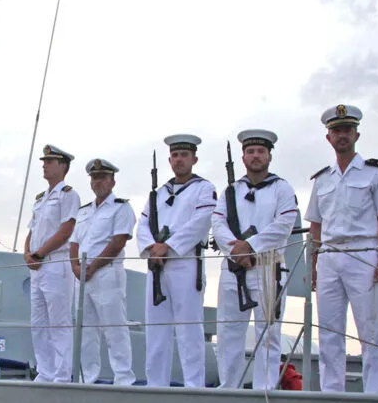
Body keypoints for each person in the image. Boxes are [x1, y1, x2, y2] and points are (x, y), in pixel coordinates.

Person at [304, 104, 378, 394]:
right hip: (329, 257)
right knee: (329, 332)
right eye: (336, 131)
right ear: (328, 138)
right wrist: (312, 267)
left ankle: (376, 394)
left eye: (346, 130)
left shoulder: (375, 172)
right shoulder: (322, 179)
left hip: (364, 253)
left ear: (356, 134)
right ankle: (332, 392)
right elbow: (316, 226)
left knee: (370, 330)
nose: (341, 135)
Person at [212, 129, 300, 389]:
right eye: (250, 151)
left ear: (269, 156)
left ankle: (265, 390)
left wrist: (250, 246)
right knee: (229, 333)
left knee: (269, 334)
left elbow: (284, 223)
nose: (256, 156)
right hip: (234, 270)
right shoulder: (231, 191)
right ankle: (229, 387)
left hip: (267, 268)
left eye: (261, 151)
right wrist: (235, 250)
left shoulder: (281, 188)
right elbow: (218, 224)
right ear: (243, 157)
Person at [136, 134, 218, 387]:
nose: (179, 160)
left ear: (194, 158)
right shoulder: (158, 194)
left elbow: (201, 222)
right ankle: (156, 385)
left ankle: (194, 386)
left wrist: (168, 247)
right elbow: (143, 225)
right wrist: (151, 248)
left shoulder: (204, 189)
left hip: (186, 263)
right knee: (156, 331)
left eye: (184, 155)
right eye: (175, 155)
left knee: (189, 330)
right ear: (169, 160)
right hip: (157, 266)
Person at [69, 159, 136, 385]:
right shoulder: (84, 211)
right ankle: (87, 378)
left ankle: (124, 378)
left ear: (112, 180)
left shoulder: (121, 207)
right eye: (94, 178)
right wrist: (76, 267)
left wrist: (94, 266)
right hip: (82, 276)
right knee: (86, 330)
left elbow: (118, 241)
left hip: (107, 273)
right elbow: (74, 243)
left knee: (114, 328)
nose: (98, 182)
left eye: (102, 177)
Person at [24, 144, 82, 383]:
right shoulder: (40, 199)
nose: (44, 165)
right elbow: (32, 229)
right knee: (38, 323)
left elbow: (66, 230)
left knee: (59, 322)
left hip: (56, 264)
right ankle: (45, 372)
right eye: (44, 161)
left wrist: (38, 254)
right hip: (38, 267)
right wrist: (27, 253)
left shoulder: (69, 195)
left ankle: (61, 375)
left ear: (63, 166)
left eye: (50, 161)